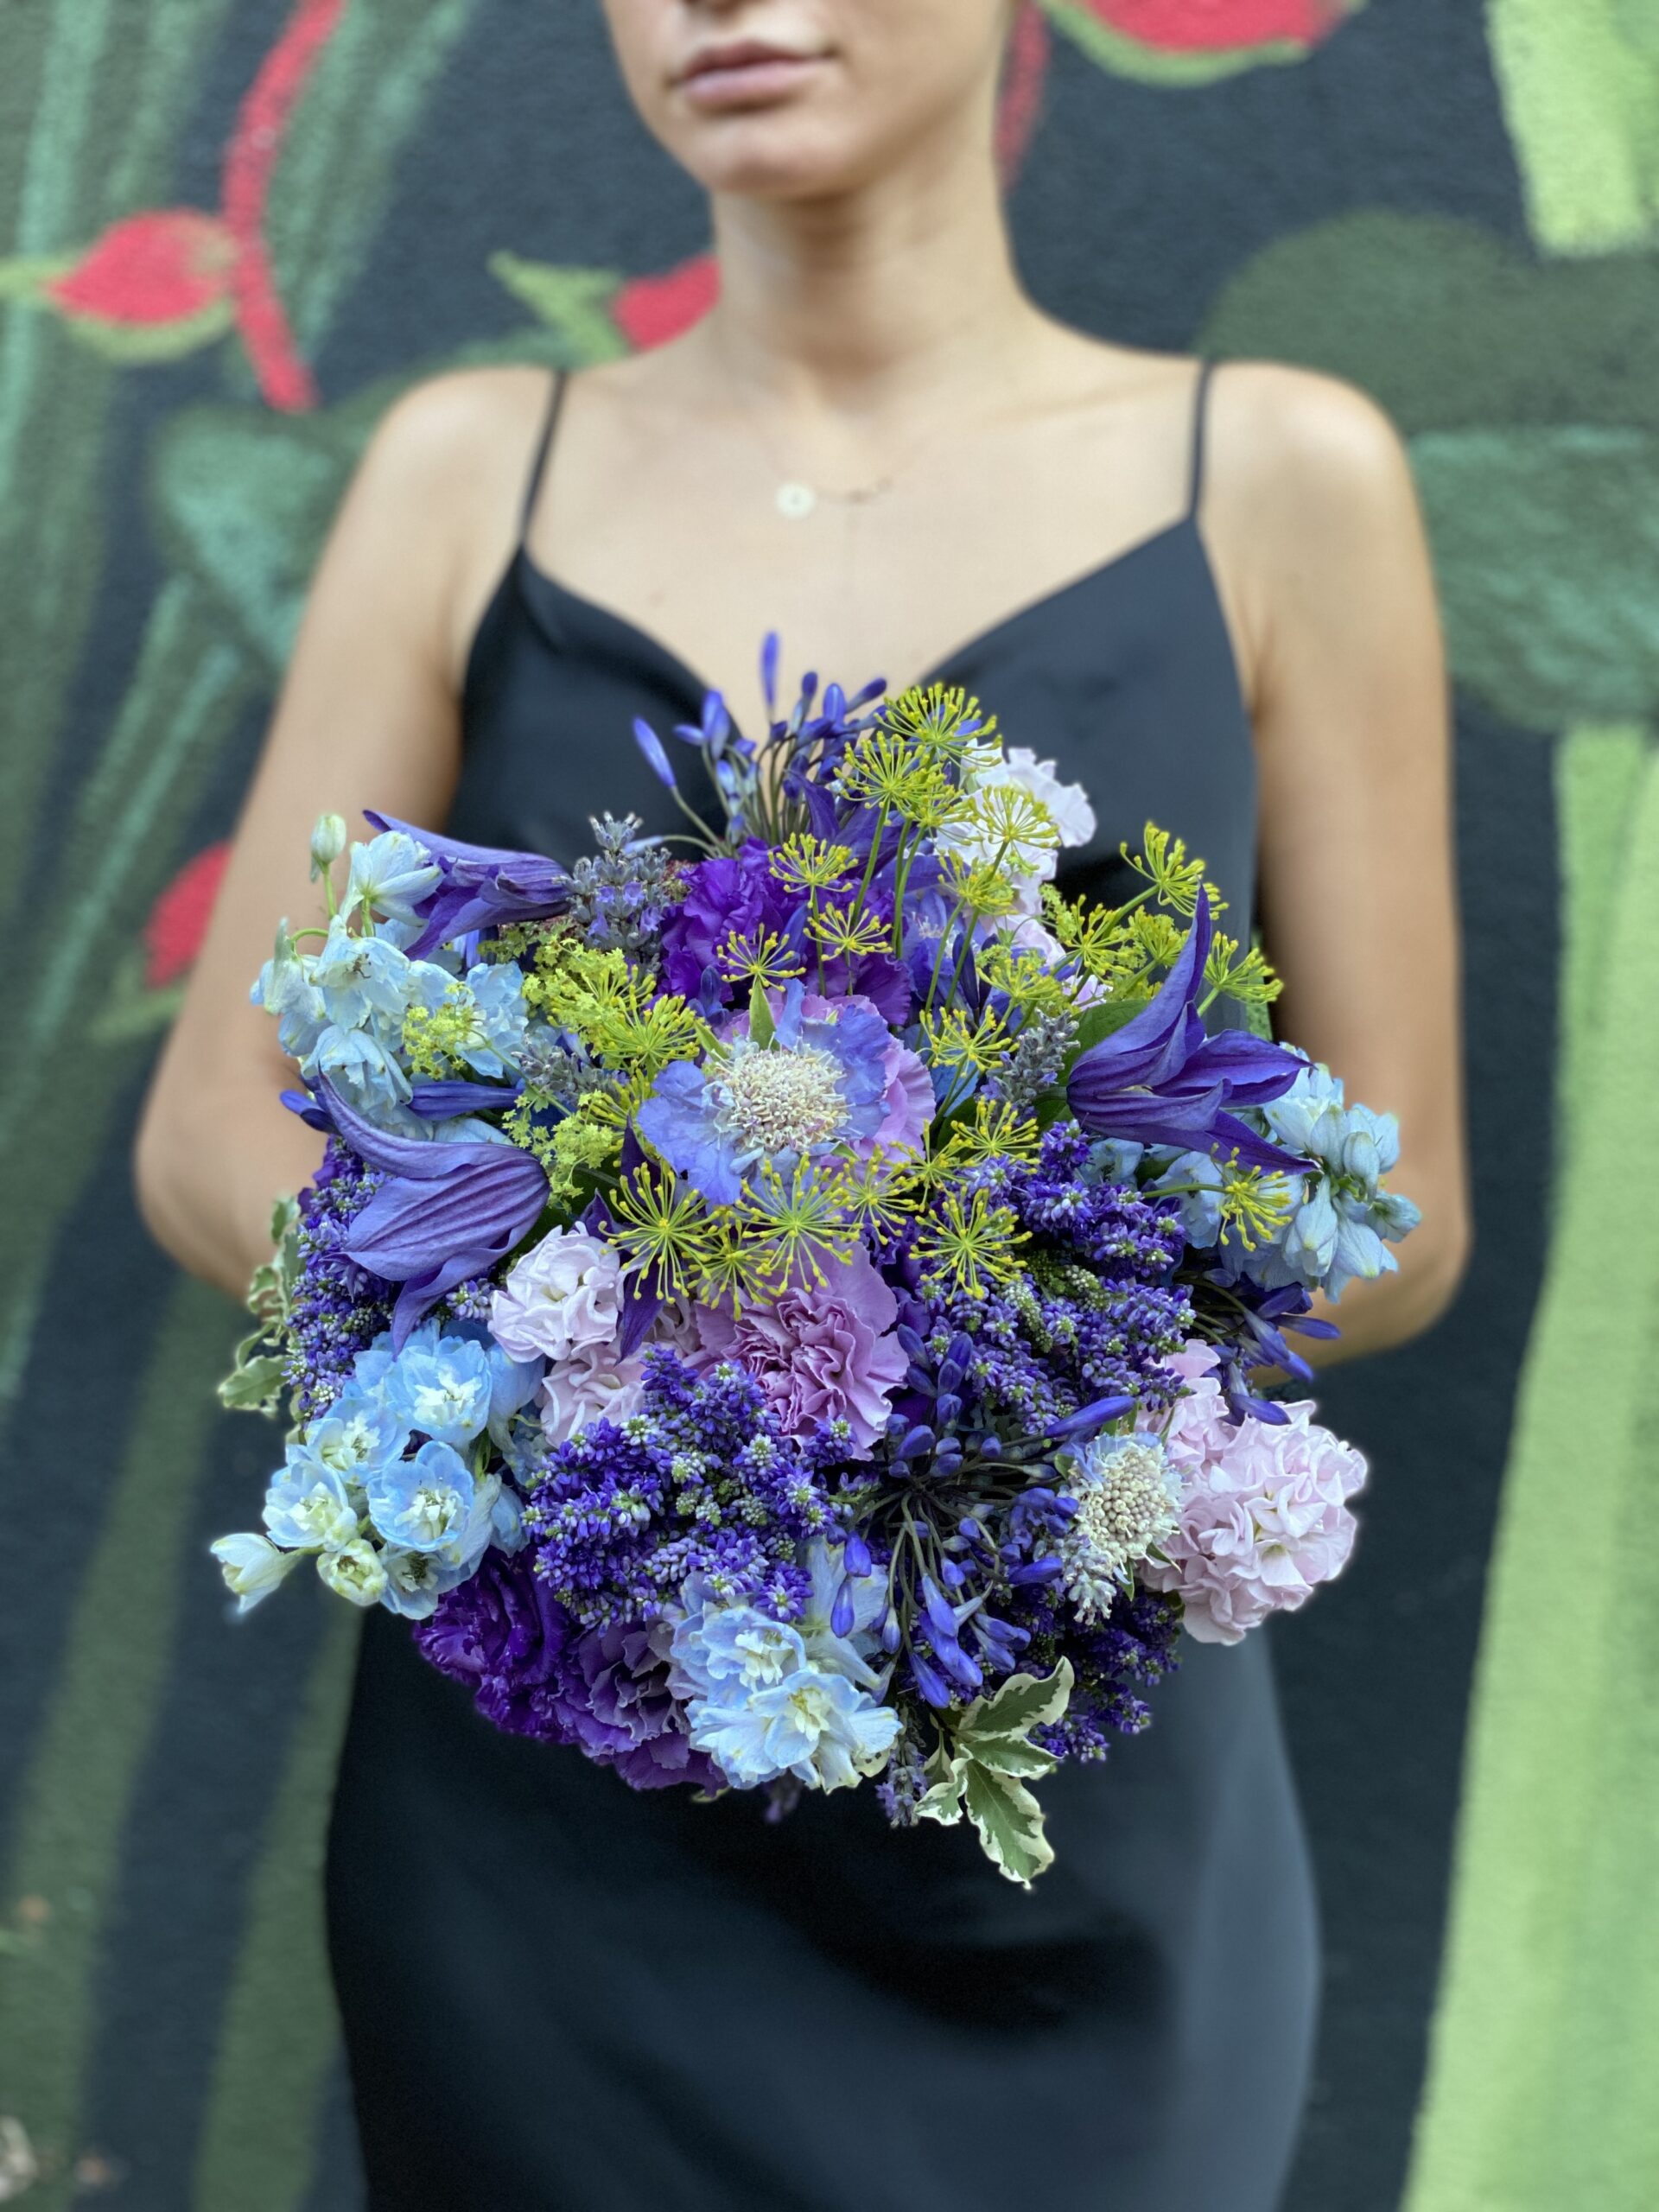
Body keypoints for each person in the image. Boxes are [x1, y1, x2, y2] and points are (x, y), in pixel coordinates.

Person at [135, 3, 1471, 2205]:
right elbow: (214, 1126)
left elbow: (1395, 1204)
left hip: (1062, 1845)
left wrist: (960, 1375)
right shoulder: (469, 469)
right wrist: (600, 1363)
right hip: (553, 1825)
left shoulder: (1279, 474)